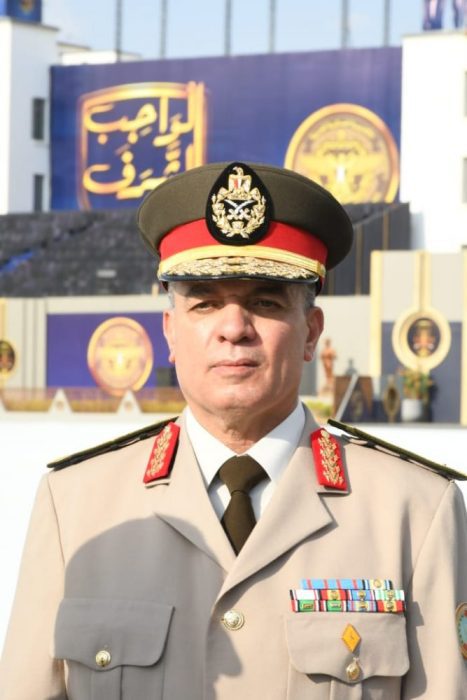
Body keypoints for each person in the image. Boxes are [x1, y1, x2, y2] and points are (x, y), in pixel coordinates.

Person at [0, 161, 466, 699]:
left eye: (265, 302)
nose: (234, 328)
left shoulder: (414, 511)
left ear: (310, 332)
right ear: (170, 332)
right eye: (205, 302)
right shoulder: (74, 507)